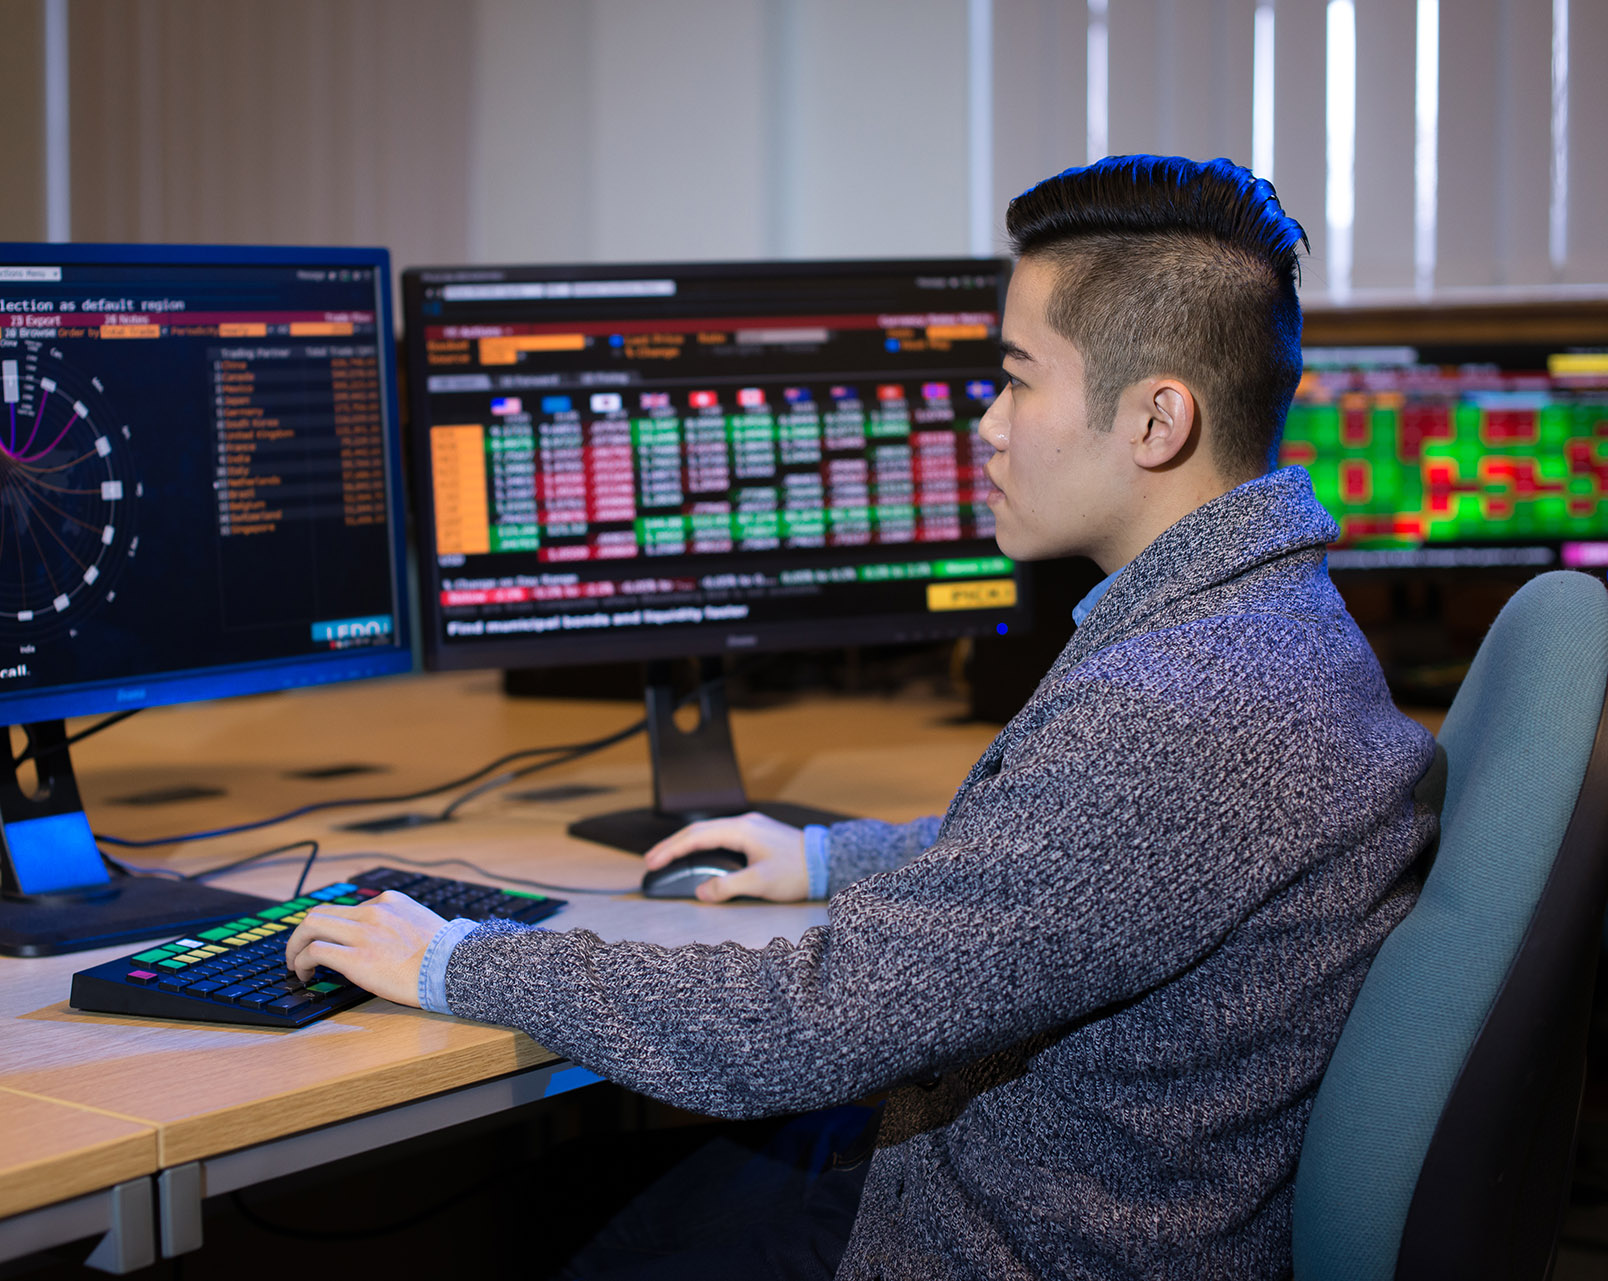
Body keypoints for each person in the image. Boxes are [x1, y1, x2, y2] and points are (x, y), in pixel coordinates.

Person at [286, 155, 1441, 1279]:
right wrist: (833, 856)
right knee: (579, 1207)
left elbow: (817, 1023)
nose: (985, 425)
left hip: (996, 1240)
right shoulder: (1273, 618)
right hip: (1055, 1188)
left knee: (550, 1232)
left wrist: (458, 962)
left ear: (1155, 422)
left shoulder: (1173, 703)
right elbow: (1094, 867)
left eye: (1017, 378)